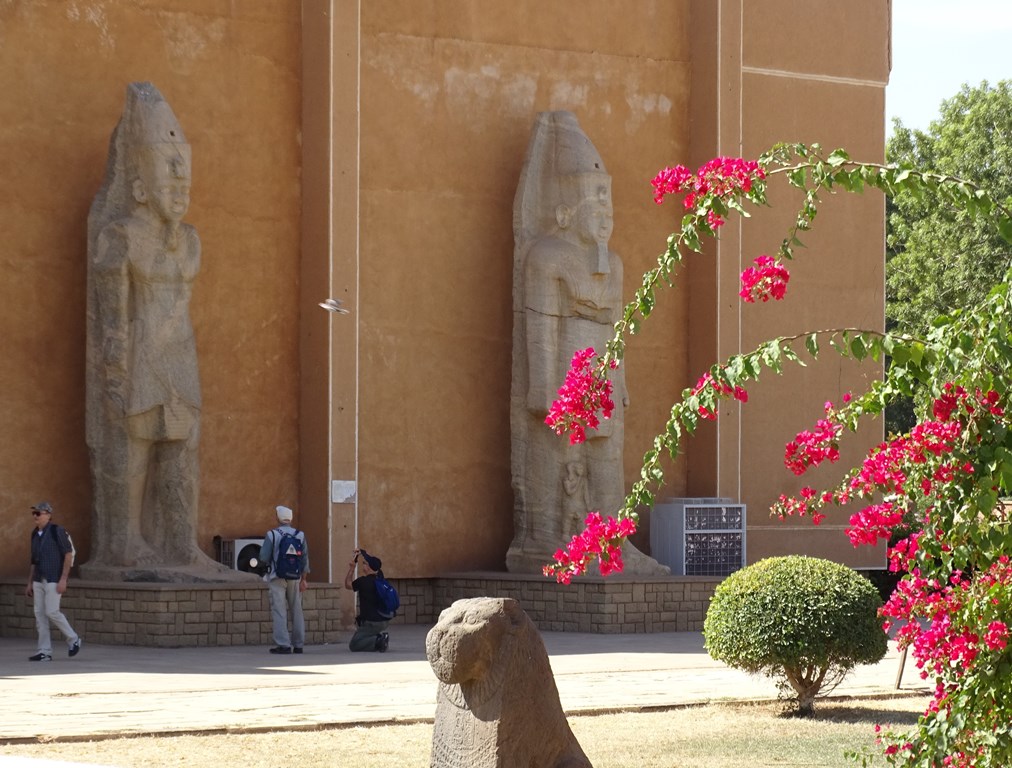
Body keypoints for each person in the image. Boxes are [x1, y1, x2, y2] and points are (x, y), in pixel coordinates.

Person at [25, 502, 81, 662]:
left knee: (52, 612)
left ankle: (73, 639)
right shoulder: (34, 534)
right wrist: (29, 582)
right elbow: (33, 560)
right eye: (34, 513)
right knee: (39, 615)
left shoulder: (58, 531)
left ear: (48, 515)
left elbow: (68, 555)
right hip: (38, 579)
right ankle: (44, 651)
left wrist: (63, 579)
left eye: (39, 513)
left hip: (53, 578)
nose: (35, 516)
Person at [258, 505, 309, 654]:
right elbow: (305, 558)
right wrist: (304, 578)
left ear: (278, 517)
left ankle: (283, 644)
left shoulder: (272, 534)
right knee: (297, 609)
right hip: (295, 577)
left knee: (279, 610)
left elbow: (263, 556)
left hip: (277, 577)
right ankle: (299, 644)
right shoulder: (300, 535)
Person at [344, 548, 390, 652]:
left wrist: (352, 568)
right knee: (363, 634)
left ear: (368, 567)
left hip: (372, 623)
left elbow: (347, 584)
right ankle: (378, 636)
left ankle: (379, 641)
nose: (363, 565)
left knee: (355, 644)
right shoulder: (381, 578)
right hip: (384, 620)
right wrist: (362, 552)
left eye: (364, 563)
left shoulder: (363, 582)